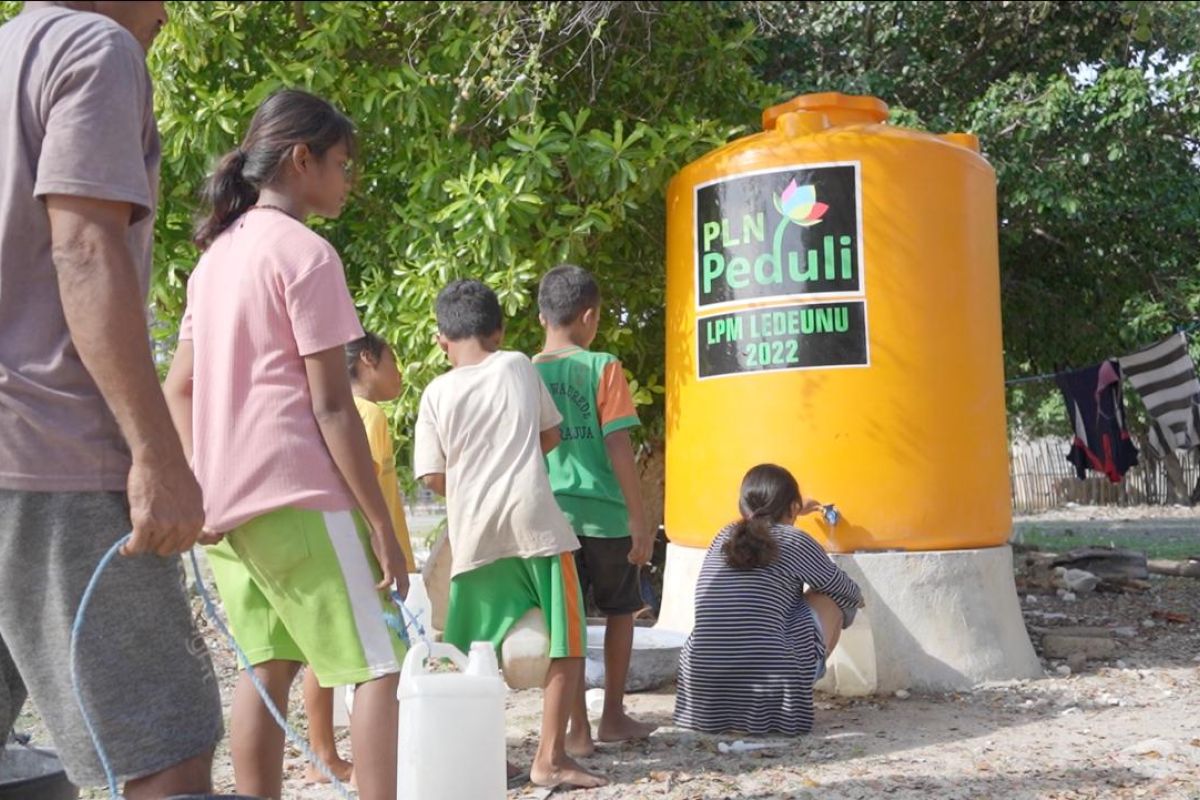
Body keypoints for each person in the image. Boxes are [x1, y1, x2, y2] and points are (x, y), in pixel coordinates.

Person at [0, 2, 223, 796]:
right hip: (58, 456)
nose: (165, 12)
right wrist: (157, 454)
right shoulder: (94, 46)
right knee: (163, 752)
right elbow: (86, 246)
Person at [162, 89, 407, 800]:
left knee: (266, 670)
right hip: (297, 494)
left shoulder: (212, 262)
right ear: (303, 160)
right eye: (342, 163)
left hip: (227, 514)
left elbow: (179, 387)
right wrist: (383, 526)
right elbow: (332, 407)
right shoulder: (307, 253)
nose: (349, 178)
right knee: (376, 666)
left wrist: (198, 483)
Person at [413, 279, 607, 790]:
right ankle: (549, 758)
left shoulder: (435, 392)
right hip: (536, 522)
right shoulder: (518, 364)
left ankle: (475, 758)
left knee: (465, 652)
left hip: (474, 535)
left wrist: (474, 478)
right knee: (566, 640)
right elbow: (550, 433)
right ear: (499, 331)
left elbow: (432, 478)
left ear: (440, 340)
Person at [532, 264, 657, 755]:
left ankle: (576, 730)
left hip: (550, 517)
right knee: (623, 610)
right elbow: (619, 445)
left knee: (569, 624)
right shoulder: (602, 366)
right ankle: (613, 716)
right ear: (590, 316)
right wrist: (639, 517)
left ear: (542, 316)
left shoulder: (525, 371)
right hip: (605, 515)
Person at [300, 330, 417, 785]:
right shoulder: (365, 413)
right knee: (379, 664)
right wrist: (382, 541)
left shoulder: (349, 413)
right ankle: (356, 765)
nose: (399, 372)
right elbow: (360, 482)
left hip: (347, 545)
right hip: (367, 551)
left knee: (323, 650)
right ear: (368, 359)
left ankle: (324, 753)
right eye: (393, 359)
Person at [674, 464, 863, 736]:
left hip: (702, 684)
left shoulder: (723, 536)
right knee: (829, 598)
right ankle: (783, 697)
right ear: (793, 508)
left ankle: (735, 707)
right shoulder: (795, 539)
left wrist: (793, 508)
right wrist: (860, 600)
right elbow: (841, 586)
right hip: (769, 678)